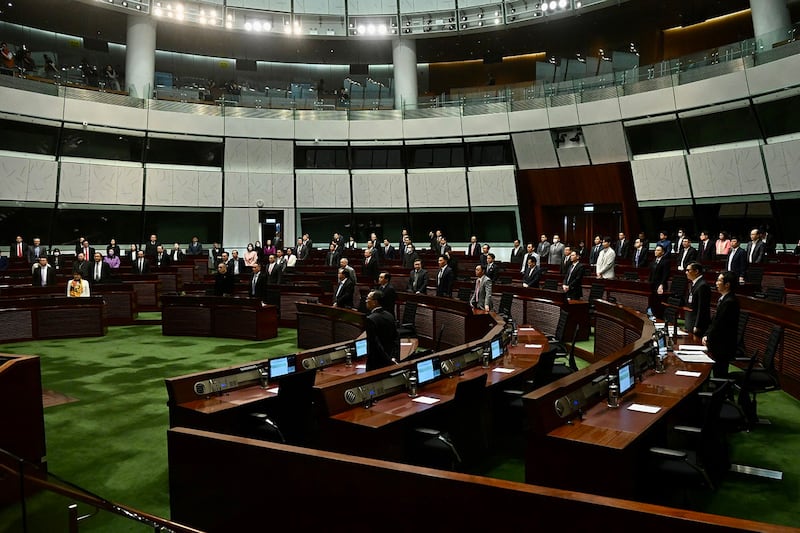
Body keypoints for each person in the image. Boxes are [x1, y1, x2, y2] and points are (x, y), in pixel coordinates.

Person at [702, 271, 741, 378]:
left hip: (723, 346)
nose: (716, 283)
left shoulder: (730, 302)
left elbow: (720, 325)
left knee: (720, 374)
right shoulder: (724, 299)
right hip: (718, 344)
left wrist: (709, 338)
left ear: (727, 284)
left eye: (719, 280)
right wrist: (707, 335)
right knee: (717, 372)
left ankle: (720, 393)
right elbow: (714, 322)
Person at [364, 290, 400, 371]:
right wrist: (393, 357)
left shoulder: (370, 319)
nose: (366, 301)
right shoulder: (390, 315)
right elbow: (396, 338)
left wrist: (387, 360)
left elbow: (375, 343)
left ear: (374, 302)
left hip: (376, 362)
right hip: (390, 357)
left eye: (368, 299)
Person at [684, 262, 711, 338]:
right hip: (690, 321)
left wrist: (697, 325)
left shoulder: (702, 285)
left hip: (697, 325)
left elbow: (702, 308)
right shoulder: (694, 283)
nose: (686, 272)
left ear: (696, 271)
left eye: (688, 270)